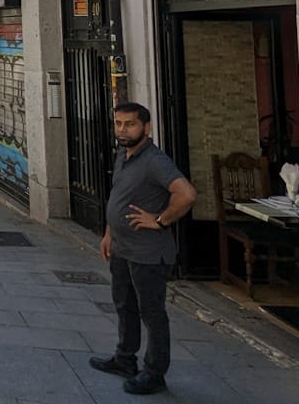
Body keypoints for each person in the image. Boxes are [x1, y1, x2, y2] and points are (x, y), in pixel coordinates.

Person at [91, 103, 197, 396]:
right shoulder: (123, 156)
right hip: (123, 248)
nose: (122, 130)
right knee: (124, 306)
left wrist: (161, 221)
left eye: (130, 124)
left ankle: (154, 372)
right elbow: (119, 195)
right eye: (118, 124)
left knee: (152, 312)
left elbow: (186, 194)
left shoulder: (155, 161)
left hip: (149, 253)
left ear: (146, 128)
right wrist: (109, 232)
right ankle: (125, 359)